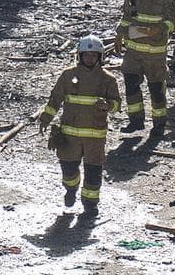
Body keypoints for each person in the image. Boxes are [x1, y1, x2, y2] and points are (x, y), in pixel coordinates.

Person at [38, 35, 121, 218]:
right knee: (68, 170)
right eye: (86, 55)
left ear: (99, 57)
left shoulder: (108, 79)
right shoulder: (68, 75)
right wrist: (46, 118)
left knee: (93, 173)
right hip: (69, 135)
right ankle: (71, 189)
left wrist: (108, 105)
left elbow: (117, 104)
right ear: (80, 56)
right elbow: (55, 99)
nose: (89, 59)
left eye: (93, 55)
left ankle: (90, 205)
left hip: (95, 137)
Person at [114, 0, 175, 137]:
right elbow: (127, 17)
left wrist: (157, 30)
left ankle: (159, 124)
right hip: (133, 52)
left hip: (155, 55)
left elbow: (173, 23)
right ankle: (136, 121)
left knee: (157, 91)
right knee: (131, 84)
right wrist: (120, 34)